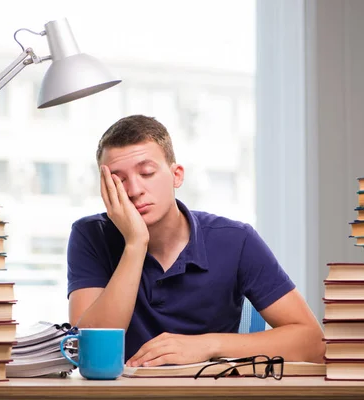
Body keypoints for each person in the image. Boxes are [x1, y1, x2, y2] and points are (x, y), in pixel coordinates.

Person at [66, 115, 325, 367]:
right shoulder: (90, 235)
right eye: (119, 181)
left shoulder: (236, 239)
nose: (134, 190)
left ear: (177, 175)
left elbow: (313, 342)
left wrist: (207, 345)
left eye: (146, 173)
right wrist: (135, 244)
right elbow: (85, 350)